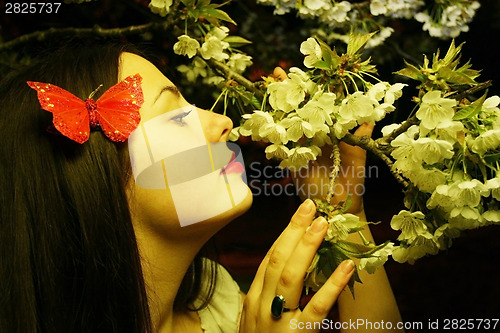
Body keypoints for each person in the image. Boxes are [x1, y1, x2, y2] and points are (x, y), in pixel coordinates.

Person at [0, 42, 401, 333]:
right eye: (176, 117)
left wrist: (342, 207)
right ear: (92, 174)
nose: (221, 123)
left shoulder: (215, 299)